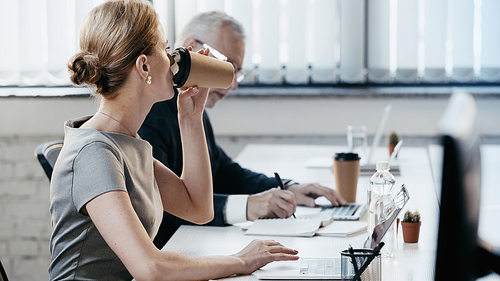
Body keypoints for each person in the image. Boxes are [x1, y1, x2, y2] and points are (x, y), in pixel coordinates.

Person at [48, 1, 298, 280]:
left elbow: (198, 209)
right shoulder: (94, 151)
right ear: (144, 67)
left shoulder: (126, 143)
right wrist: (240, 260)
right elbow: (150, 268)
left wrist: (191, 119)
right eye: (165, 49)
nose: (173, 58)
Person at [139, 11, 347, 248]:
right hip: (171, 250)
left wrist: (284, 188)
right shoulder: (150, 112)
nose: (234, 85)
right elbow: (160, 205)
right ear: (191, 48)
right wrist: (248, 206)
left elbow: (225, 173)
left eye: (237, 72)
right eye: (227, 68)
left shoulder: (190, 104)